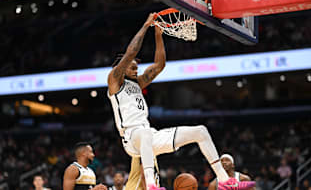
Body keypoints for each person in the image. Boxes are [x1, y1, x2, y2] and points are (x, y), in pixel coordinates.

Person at [107, 13, 255, 190]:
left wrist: (158, 35)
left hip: (149, 136)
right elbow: (131, 51)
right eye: (132, 66)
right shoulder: (114, 81)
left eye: (137, 66)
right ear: (121, 68)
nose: (136, 67)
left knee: (200, 131)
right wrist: (146, 26)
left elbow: (159, 65)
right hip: (131, 138)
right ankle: (152, 186)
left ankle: (223, 180)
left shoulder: (138, 83)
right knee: (144, 133)